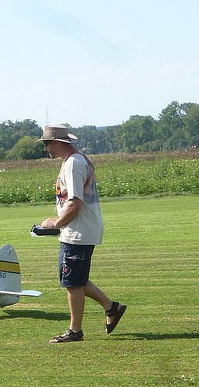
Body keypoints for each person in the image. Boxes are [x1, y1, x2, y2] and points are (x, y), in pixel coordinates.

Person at [38, 124, 126, 343]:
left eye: (47, 143)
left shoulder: (74, 164)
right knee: (76, 278)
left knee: (72, 282)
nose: (46, 148)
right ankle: (111, 308)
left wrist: (56, 224)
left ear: (57, 143)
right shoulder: (76, 160)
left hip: (78, 231)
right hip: (79, 229)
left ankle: (75, 331)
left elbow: (75, 203)